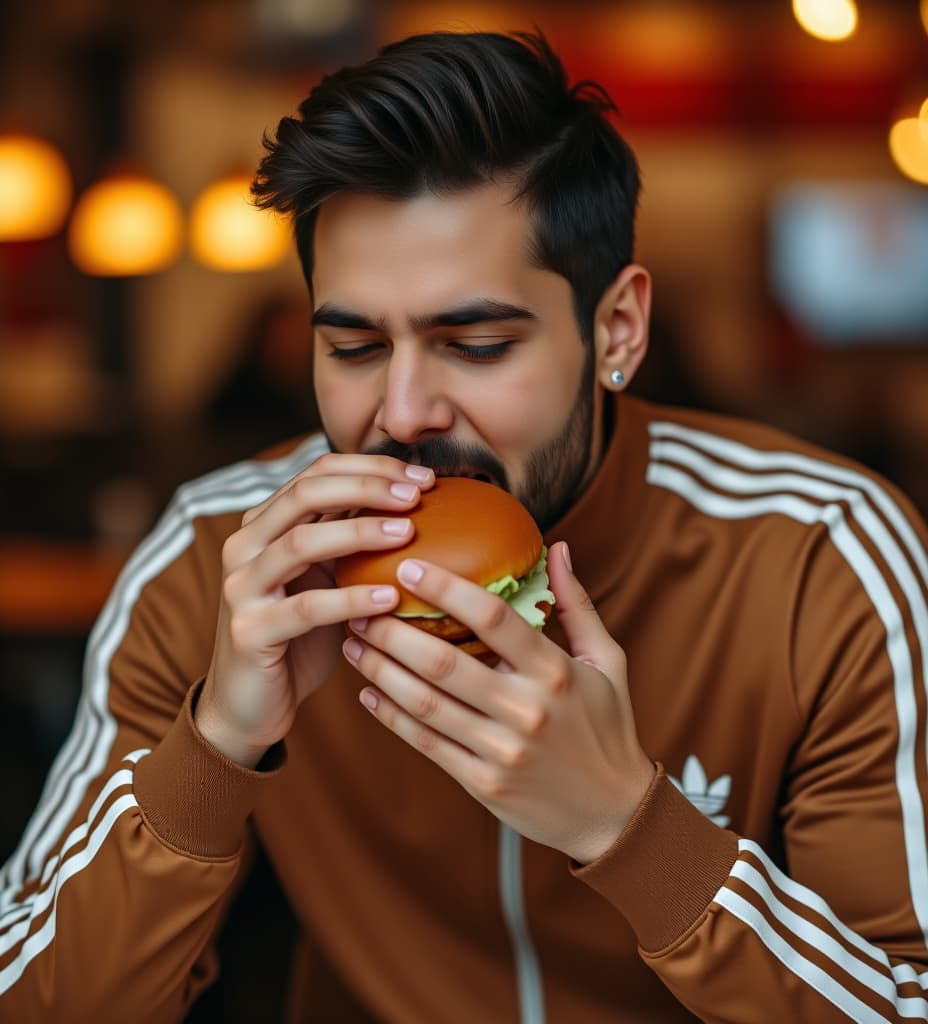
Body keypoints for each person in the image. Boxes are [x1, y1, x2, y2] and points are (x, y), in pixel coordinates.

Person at [2, 29, 927, 1024]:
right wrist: (218, 743)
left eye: (475, 344)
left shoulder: (823, 553)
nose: (402, 412)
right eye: (353, 345)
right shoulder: (215, 559)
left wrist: (630, 823)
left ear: (614, 328)